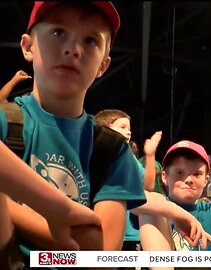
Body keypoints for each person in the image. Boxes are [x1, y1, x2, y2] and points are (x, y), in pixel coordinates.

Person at [0, 1, 147, 263]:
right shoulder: (5, 119)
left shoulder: (110, 150)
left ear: (103, 65)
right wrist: (56, 210)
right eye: (58, 32)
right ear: (28, 46)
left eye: (91, 41)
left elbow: (98, 256)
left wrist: (10, 204)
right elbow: (83, 239)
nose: (73, 49)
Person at [0, 141, 101, 268]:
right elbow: (92, 251)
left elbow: (102, 258)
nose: (128, 132)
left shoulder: (111, 147)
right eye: (122, 126)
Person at [95, 109, 162, 252]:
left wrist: (150, 155)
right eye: (122, 127)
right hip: (99, 232)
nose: (129, 132)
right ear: (105, 129)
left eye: (130, 128)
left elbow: (147, 185)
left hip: (129, 235)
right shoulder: (91, 152)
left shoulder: (129, 157)